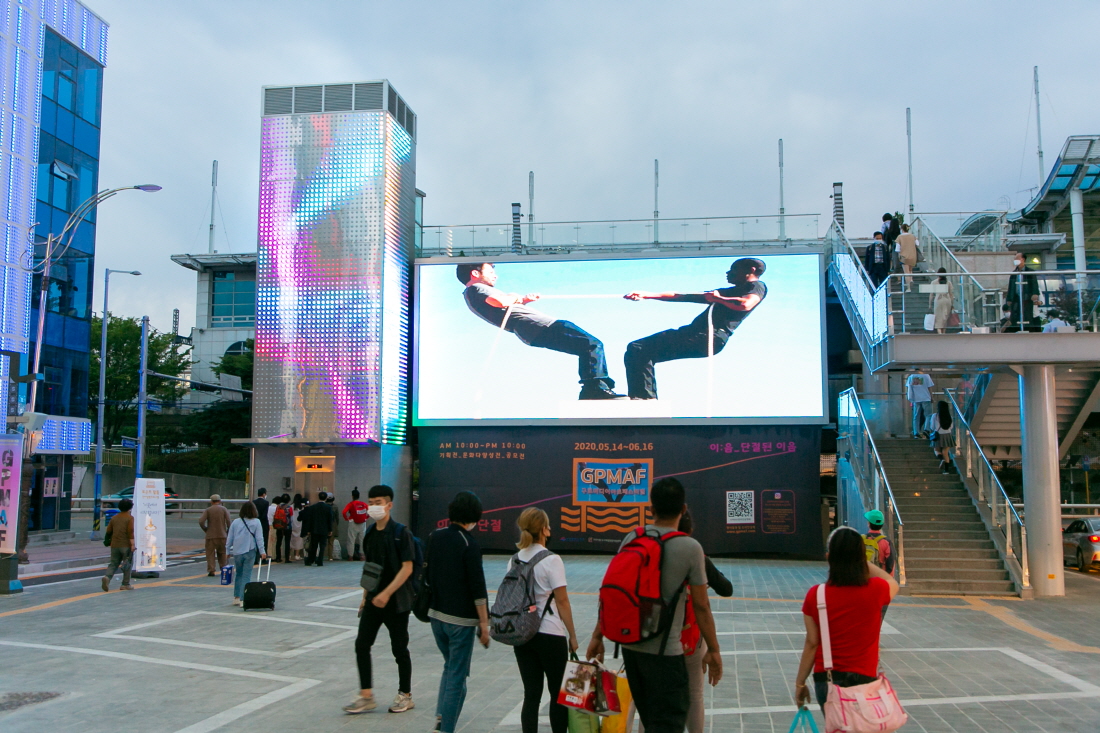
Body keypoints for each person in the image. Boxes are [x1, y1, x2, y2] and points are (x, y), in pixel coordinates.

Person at [586, 478, 723, 733]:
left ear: (651, 510)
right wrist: (713, 649)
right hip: (666, 655)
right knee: (669, 724)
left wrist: (597, 636)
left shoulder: (632, 537)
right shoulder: (690, 547)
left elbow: (614, 593)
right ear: (683, 510)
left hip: (631, 650)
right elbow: (702, 607)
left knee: (651, 722)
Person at [457, 262, 622, 400]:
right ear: (475, 273)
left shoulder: (472, 294)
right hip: (539, 326)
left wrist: (524, 301)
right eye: (491, 271)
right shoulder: (477, 288)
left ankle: (592, 388)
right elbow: (499, 302)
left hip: (531, 330)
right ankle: (595, 388)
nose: (495, 275)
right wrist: (515, 297)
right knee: (591, 344)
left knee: (587, 347)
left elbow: (504, 308)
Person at [622, 258, 767, 400]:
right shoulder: (726, 292)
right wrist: (647, 295)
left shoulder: (757, 286)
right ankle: (644, 398)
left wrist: (718, 299)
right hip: (698, 335)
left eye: (734, 269)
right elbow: (681, 296)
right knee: (639, 351)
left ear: (751, 270)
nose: (728, 272)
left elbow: (746, 304)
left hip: (706, 336)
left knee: (639, 348)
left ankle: (645, 399)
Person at [793, 526, 900, 711]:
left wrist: (800, 683)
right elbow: (893, 582)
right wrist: (860, 561)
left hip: (827, 681)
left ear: (829, 557)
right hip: (865, 678)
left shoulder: (816, 595)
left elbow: (812, 643)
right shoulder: (876, 590)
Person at [343, 485, 417, 715]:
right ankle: (366, 695)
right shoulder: (371, 534)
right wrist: (366, 596)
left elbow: (407, 568)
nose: (374, 506)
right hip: (374, 600)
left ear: (389, 504)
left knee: (399, 649)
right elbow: (370, 568)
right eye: (371, 502)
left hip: (396, 602)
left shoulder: (400, 532)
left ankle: (405, 695)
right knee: (362, 644)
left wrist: (387, 593)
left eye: (378, 502)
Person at [508, 508, 579, 733]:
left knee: (531, 695)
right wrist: (573, 635)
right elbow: (563, 601)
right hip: (550, 633)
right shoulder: (552, 560)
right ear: (544, 530)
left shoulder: (514, 560)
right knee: (558, 693)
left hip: (522, 635)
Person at [426, 491, 491, 733]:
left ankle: (442, 718)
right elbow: (478, 588)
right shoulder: (469, 544)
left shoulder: (435, 536)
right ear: (474, 516)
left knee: (450, 667)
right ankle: (446, 728)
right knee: (457, 674)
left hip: (436, 616)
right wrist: (484, 624)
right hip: (460, 621)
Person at [670, 510, 733, 733]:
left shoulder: (653, 552)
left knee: (655, 700)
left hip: (655, 638)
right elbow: (726, 589)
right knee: (694, 695)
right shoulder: (697, 556)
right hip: (690, 637)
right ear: (690, 531)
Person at [226, 501, 267, 607]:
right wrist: (262, 551)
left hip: (237, 552)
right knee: (246, 575)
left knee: (238, 574)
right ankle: (243, 599)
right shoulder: (256, 522)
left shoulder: (235, 522)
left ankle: (236, 597)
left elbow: (230, 537)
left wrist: (227, 551)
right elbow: (259, 538)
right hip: (250, 550)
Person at [101, 498, 135, 592]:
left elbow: (108, 531)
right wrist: (132, 544)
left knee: (114, 563)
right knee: (127, 564)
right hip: (126, 545)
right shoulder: (129, 518)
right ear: (130, 508)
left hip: (115, 544)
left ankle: (107, 577)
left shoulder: (114, 518)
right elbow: (130, 532)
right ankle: (125, 584)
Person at [1004, 251, 1041, 332]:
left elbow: (1034, 284)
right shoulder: (1014, 273)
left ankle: (1027, 331)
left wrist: (1035, 294)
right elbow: (1010, 287)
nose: (1015, 260)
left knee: (1027, 315)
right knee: (1015, 315)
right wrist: (1009, 299)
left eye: (1017, 258)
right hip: (1016, 298)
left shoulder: (1030, 272)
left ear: (1023, 259)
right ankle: (1016, 330)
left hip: (1026, 297)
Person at [198, 494, 231, 577]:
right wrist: (227, 531)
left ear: (211, 501)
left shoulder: (208, 510)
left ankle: (211, 570)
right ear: (220, 501)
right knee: (222, 553)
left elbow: (201, 521)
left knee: (210, 554)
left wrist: (206, 529)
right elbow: (228, 521)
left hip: (211, 535)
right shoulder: (224, 509)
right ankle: (223, 568)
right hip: (222, 535)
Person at [299, 491, 334, 566]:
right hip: (324, 530)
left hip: (314, 529)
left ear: (319, 497)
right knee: (322, 546)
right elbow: (330, 519)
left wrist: (309, 530)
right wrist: (330, 529)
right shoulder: (328, 508)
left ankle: (311, 560)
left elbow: (310, 519)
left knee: (314, 546)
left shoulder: (313, 507)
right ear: (326, 498)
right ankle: (320, 561)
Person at [927, 400, 957, 474]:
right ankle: (946, 470)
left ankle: (941, 459)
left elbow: (932, 427)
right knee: (945, 452)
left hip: (938, 435)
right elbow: (952, 426)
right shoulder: (949, 416)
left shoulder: (935, 415)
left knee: (936, 449)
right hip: (948, 435)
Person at [862, 510, 895, 575]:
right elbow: (890, 564)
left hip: (864, 577)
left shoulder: (861, 539)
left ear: (868, 524)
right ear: (882, 524)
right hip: (879, 577)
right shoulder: (886, 542)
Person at [905, 368, 934, 439]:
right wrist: (932, 397)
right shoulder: (926, 376)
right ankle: (926, 429)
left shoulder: (911, 377)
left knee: (916, 416)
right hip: (926, 397)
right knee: (928, 415)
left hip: (916, 399)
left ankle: (916, 432)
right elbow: (929, 388)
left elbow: (909, 389)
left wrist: (910, 399)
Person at [343, 487, 369, 560]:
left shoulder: (350, 504)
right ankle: (362, 556)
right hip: (362, 523)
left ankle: (350, 556)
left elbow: (344, 512)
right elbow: (370, 511)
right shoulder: (363, 504)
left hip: (353, 522)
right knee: (362, 539)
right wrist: (366, 518)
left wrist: (347, 519)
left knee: (351, 540)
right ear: (359, 496)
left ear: (352, 496)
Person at [894, 223, 919, 290]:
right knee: (910, 270)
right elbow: (917, 244)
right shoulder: (913, 236)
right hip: (913, 255)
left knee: (906, 272)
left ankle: (908, 287)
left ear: (901, 229)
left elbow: (897, 249)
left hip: (904, 257)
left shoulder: (899, 237)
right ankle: (911, 280)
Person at [930, 267, 954, 333]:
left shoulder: (934, 282)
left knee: (938, 318)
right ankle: (944, 334)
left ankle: (940, 334)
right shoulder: (948, 282)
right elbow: (951, 294)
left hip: (938, 300)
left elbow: (931, 294)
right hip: (947, 300)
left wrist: (930, 304)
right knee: (945, 318)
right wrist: (952, 304)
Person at [273, 495, 294, 563]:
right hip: (287, 527)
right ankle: (287, 558)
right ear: (288, 500)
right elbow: (292, 518)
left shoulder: (278, 507)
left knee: (278, 542)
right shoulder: (289, 508)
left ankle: (278, 557)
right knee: (287, 542)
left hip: (279, 526)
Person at [253, 488, 270, 552]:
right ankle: (263, 555)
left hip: (255, 522)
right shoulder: (266, 502)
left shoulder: (254, 502)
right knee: (264, 539)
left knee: (255, 539)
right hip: (263, 523)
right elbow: (265, 514)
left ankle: (255, 556)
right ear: (263, 494)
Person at [326, 493, 340, 561]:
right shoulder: (335, 507)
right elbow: (337, 518)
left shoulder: (324, 506)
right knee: (330, 542)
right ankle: (330, 556)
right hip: (333, 525)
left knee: (322, 542)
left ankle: (320, 555)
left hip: (324, 525)